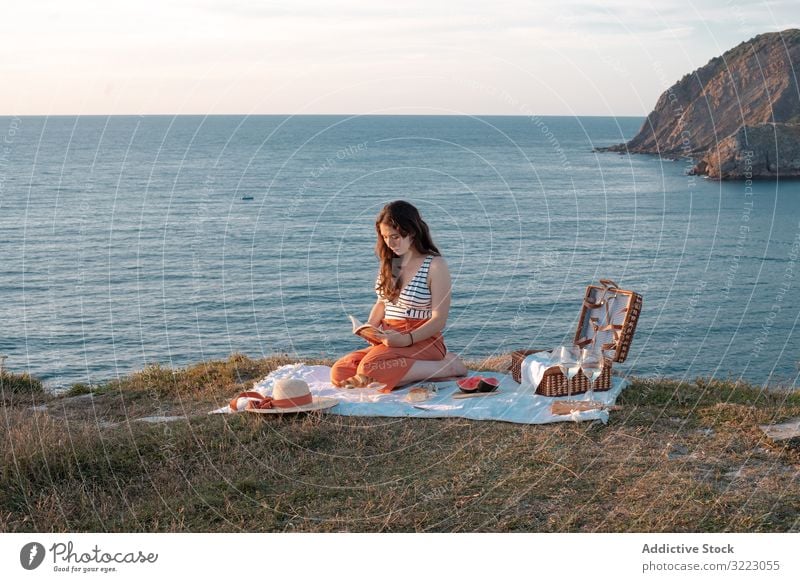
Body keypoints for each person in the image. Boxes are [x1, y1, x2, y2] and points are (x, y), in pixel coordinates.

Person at [331, 200, 467, 390]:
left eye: (395, 236)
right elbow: (382, 303)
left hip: (421, 340)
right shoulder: (392, 263)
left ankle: (448, 366)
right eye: (385, 237)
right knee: (340, 371)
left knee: (370, 370)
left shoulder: (435, 265)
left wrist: (406, 339)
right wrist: (370, 327)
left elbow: (439, 320)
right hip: (390, 338)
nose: (390, 243)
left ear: (411, 231)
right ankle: (401, 374)